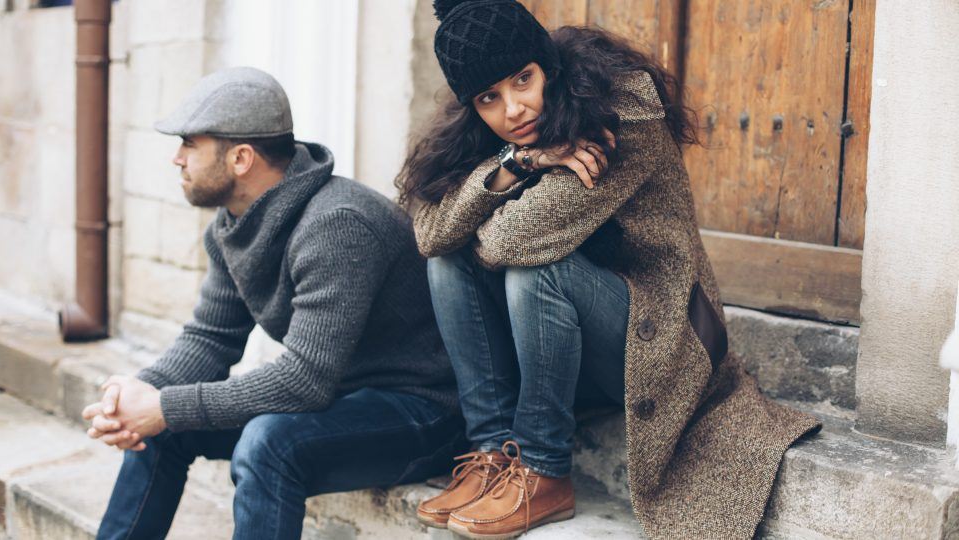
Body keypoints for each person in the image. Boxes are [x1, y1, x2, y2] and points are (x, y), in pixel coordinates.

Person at [397, 1, 821, 538]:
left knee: (536, 272)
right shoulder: (508, 141)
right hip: (575, 345)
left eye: (522, 80)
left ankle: (545, 470)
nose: (515, 110)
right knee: (448, 263)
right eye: (489, 98)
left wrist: (483, 208)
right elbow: (430, 235)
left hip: (665, 338)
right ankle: (493, 455)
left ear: (546, 63)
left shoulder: (621, 112)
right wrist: (517, 163)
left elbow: (511, 240)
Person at [81, 67, 465, 539]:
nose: (176, 158)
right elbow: (211, 337)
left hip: (423, 412)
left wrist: (165, 405)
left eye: (189, 144)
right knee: (163, 428)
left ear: (241, 157)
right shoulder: (231, 225)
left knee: (268, 444)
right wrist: (139, 396)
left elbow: (304, 381)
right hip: (343, 396)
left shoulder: (338, 224)